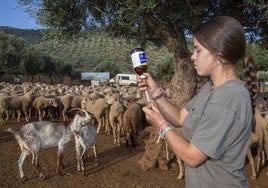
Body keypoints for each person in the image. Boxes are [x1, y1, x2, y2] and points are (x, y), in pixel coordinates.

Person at [136, 16, 257, 188]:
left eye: (198, 50)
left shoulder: (229, 98)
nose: (193, 56)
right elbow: (180, 117)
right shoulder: (211, 87)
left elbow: (192, 157)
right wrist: (154, 91)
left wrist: (161, 125)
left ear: (219, 55)